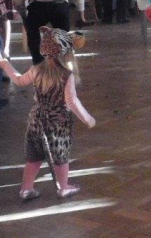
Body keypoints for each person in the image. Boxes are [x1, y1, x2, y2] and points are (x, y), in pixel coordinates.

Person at [0, 27, 95, 200]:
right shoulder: (66, 75)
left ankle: (26, 189)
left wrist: (5, 64)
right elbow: (71, 101)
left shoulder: (37, 69)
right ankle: (64, 187)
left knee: (33, 157)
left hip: (36, 119)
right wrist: (87, 119)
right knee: (60, 156)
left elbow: (19, 80)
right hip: (58, 121)